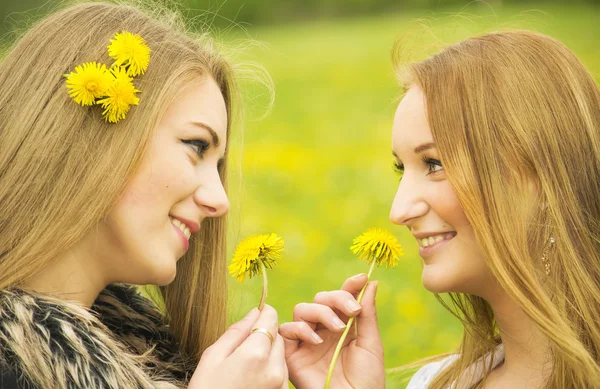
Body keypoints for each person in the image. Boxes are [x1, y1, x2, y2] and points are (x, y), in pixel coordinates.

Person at [280, 30, 600, 388]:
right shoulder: (433, 383)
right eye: (401, 168)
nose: (399, 211)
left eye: (434, 164)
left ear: (542, 174)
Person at [0, 2, 287, 388]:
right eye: (197, 146)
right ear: (94, 138)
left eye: (218, 166)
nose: (220, 201)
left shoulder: (154, 358)